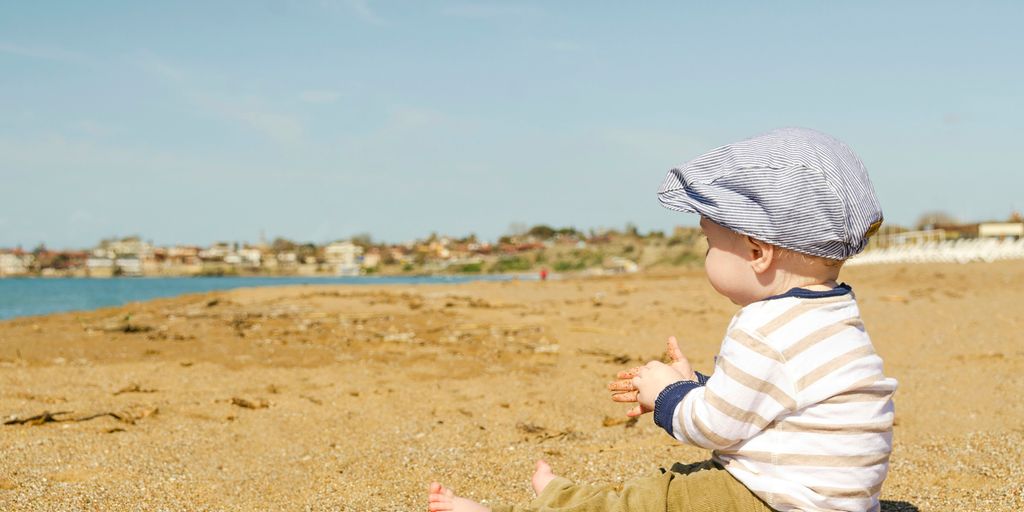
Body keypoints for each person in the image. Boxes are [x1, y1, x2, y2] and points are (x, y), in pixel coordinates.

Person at [429, 127, 897, 512]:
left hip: (774, 499)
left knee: (657, 499)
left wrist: (666, 395)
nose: (707, 254)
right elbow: (769, 401)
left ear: (757, 252)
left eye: (711, 242)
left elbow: (716, 427)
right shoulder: (835, 312)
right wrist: (697, 382)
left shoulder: (763, 324)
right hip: (835, 501)